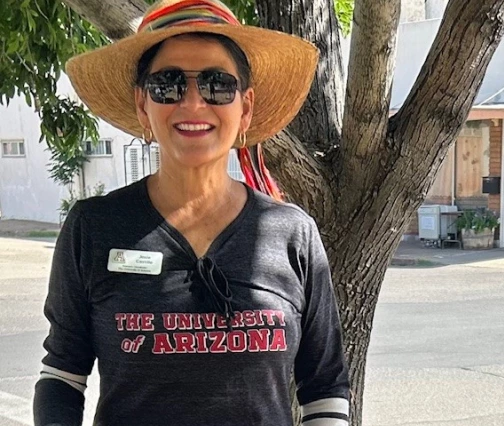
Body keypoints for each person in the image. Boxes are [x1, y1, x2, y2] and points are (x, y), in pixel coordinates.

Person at [33, 0, 350, 425]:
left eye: (218, 85)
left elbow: (325, 388)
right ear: (144, 104)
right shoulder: (94, 228)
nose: (194, 103)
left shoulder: (292, 234)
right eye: (168, 84)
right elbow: (62, 377)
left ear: (246, 108)